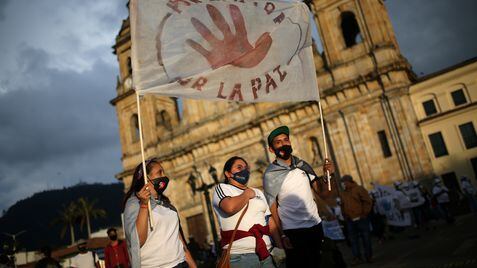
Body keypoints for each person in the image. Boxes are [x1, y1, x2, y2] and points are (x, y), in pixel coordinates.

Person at [263, 126, 334, 267]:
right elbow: (273, 209)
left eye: (286, 140)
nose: (284, 143)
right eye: (278, 142)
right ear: (271, 149)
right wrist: (282, 235)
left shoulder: (302, 165)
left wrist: (328, 175)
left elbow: (324, 193)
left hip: (315, 225)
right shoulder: (270, 174)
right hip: (293, 232)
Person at [123, 158, 197, 268]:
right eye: (159, 172)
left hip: (180, 264)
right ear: (146, 178)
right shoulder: (134, 204)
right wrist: (144, 205)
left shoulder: (167, 205)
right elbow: (137, 241)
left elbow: (180, 241)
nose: (164, 175)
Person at [212, 156, 280, 267]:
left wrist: (279, 245)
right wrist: (246, 194)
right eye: (239, 167)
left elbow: (269, 220)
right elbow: (229, 207)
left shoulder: (258, 192)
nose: (244, 170)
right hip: (240, 256)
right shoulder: (222, 188)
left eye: (246, 168)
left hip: (266, 252)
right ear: (228, 174)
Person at [340, 175, 373, 265]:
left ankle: (368, 256)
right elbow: (342, 206)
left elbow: (367, 201)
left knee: (366, 238)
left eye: (343, 182)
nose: (342, 185)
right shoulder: (343, 193)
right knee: (353, 240)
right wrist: (345, 216)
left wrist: (364, 213)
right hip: (350, 220)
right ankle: (357, 257)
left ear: (348, 182)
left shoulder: (359, 189)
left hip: (361, 219)